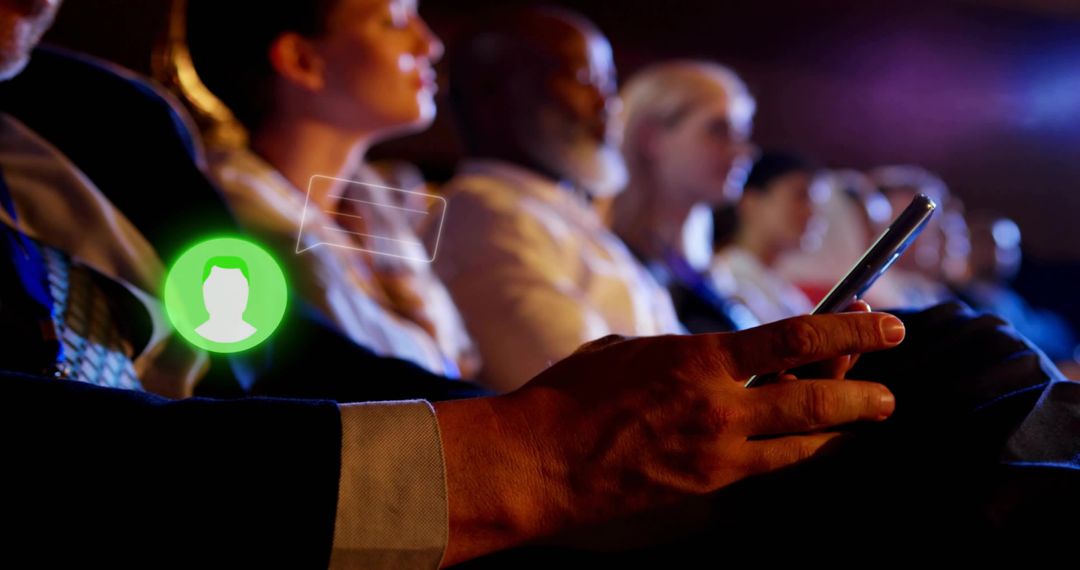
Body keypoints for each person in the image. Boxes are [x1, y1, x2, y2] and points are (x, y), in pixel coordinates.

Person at [182, 0, 480, 379]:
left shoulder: (366, 210)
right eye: (393, 20)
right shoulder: (247, 232)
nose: (430, 45)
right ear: (301, 60)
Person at [432, 7, 683, 391]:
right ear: (496, 94)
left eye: (608, 82)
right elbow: (587, 391)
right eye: (584, 79)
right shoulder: (486, 215)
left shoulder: (559, 212)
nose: (606, 103)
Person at [611, 60, 761, 333]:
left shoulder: (710, 270)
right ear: (650, 138)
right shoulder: (612, 263)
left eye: (741, 135)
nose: (742, 152)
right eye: (718, 130)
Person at [708, 150, 819, 324]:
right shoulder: (726, 280)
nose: (811, 211)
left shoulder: (785, 292)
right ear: (751, 202)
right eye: (799, 196)